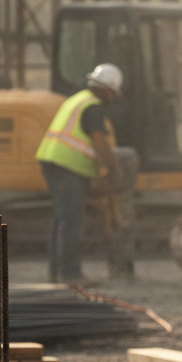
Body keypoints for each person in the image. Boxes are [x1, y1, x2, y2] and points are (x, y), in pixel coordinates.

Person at [35, 64, 122, 282]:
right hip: (66, 166)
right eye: (113, 93)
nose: (112, 98)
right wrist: (113, 167)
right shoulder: (92, 107)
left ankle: (56, 272)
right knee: (71, 221)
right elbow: (100, 142)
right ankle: (69, 273)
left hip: (53, 162)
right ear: (107, 89)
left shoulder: (77, 99)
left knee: (62, 219)